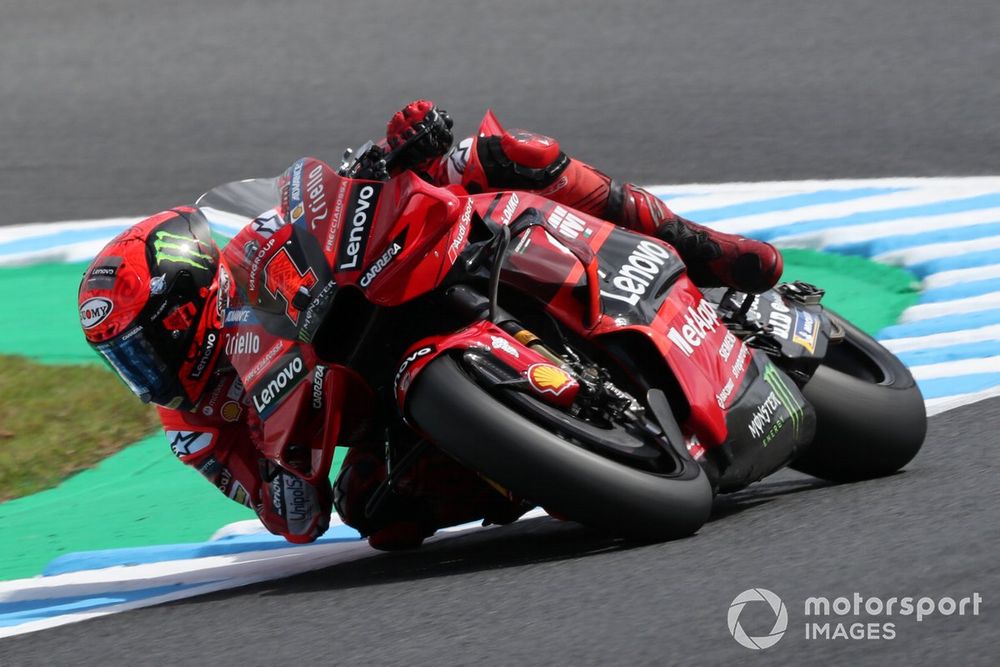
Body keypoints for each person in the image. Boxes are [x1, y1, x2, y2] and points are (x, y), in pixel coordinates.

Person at [77, 101, 783, 550]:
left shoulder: (252, 250)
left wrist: (395, 154)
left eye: (149, 346)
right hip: (387, 411)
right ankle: (551, 471)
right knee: (377, 513)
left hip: (410, 273)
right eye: (127, 361)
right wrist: (284, 459)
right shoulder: (194, 426)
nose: (149, 372)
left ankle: (700, 247)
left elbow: (324, 203)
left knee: (504, 153)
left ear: (192, 302)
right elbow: (288, 516)